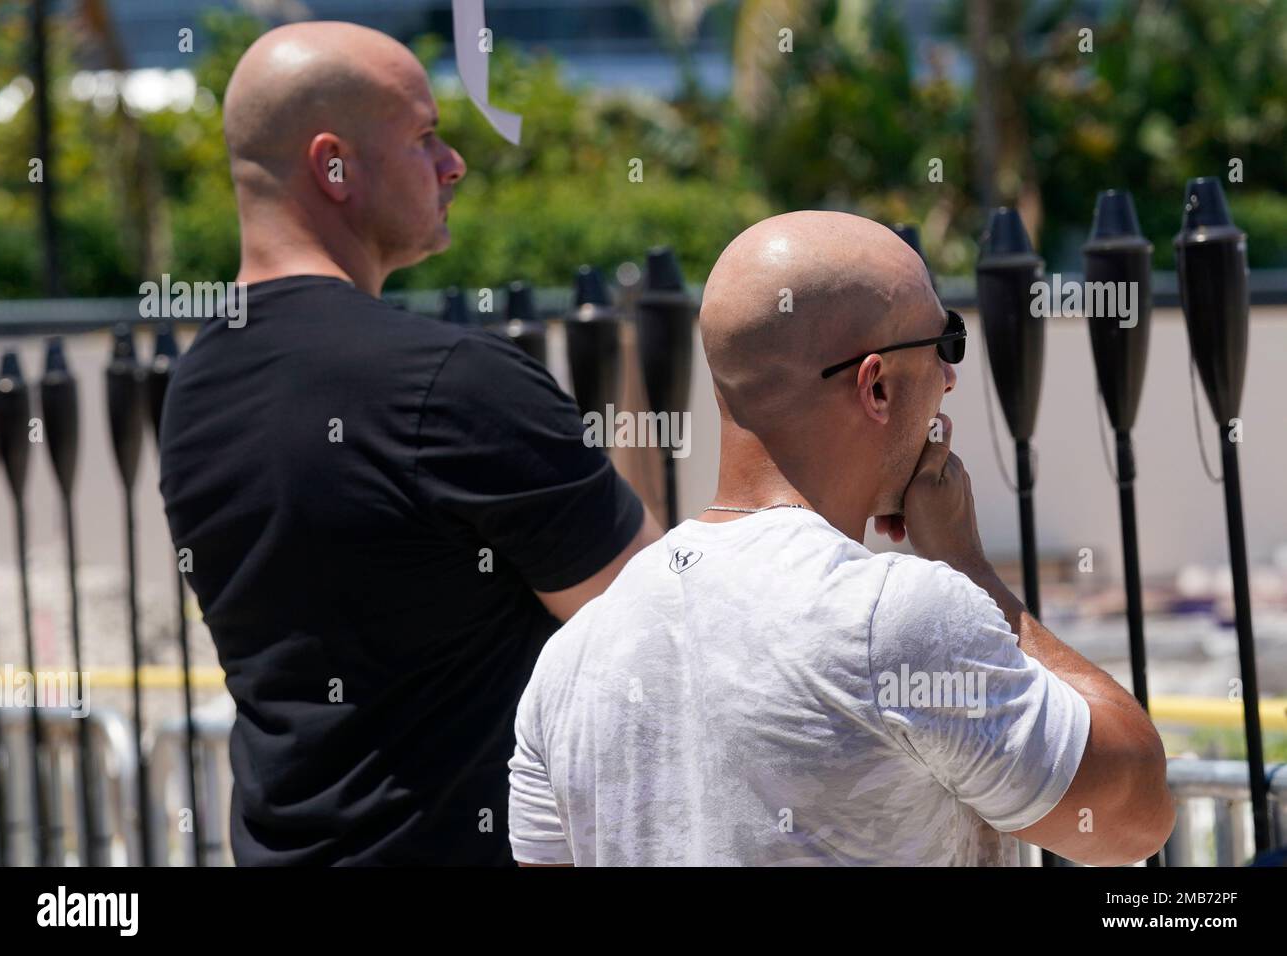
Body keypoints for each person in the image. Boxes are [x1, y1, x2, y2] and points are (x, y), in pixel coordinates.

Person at [508, 211, 1174, 866]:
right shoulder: (894, 617)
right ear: (877, 385)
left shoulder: (572, 660)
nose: (950, 377)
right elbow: (1136, 815)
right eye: (944, 345)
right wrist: (969, 567)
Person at [158, 22, 661, 865]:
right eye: (425, 136)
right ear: (334, 166)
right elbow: (655, 629)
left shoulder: (193, 391)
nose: (453, 162)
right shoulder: (454, 383)